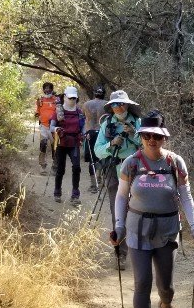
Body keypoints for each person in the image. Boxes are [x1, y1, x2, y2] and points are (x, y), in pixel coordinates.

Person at [109, 110, 194, 308]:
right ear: (141, 136)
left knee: (166, 286)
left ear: (164, 138)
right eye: (147, 136)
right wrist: (119, 226)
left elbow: (186, 196)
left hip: (167, 230)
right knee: (142, 283)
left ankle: (166, 306)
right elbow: (121, 196)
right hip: (137, 230)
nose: (152, 140)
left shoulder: (175, 162)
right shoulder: (131, 164)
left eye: (157, 136)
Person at [93, 90, 142, 265]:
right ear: (111, 107)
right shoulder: (107, 124)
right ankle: (121, 253)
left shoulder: (138, 122)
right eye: (115, 104)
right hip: (114, 170)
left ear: (127, 105)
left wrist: (134, 134)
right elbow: (97, 151)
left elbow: (148, 147)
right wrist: (111, 144)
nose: (119, 107)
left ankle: (139, 249)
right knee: (118, 212)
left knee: (138, 210)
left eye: (121, 104)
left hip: (136, 171)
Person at [50, 86, 86, 204]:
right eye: (70, 98)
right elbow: (51, 126)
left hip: (74, 143)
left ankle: (75, 195)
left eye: (74, 98)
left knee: (76, 167)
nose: (72, 100)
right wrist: (56, 129)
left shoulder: (79, 112)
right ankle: (57, 192)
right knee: (60, 169)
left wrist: (84, 134)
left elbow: (83, 126)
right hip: (61, 143)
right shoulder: (58, 111)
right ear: (65, 97)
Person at [82, 86, 107, 194]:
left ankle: (93, 184)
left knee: (92, 159)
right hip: (102, 132)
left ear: (94, 93)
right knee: (102, 156)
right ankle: (100, 178)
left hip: (90, 133)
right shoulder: (107, 105)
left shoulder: (86, 104)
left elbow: (84, 118)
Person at [35, 82, 60, 175]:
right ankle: (42, 166)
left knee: (55, 147)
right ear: (43, 90)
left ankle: (55, 166)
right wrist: (37, 114)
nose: (47, 90)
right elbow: (37, 111)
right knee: (43, 144)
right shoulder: (40, 100)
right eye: (45, 88)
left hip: (54, 127)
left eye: (49, 88)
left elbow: (60, 112)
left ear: (52, 89)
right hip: (44, 127)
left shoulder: (57, 100)